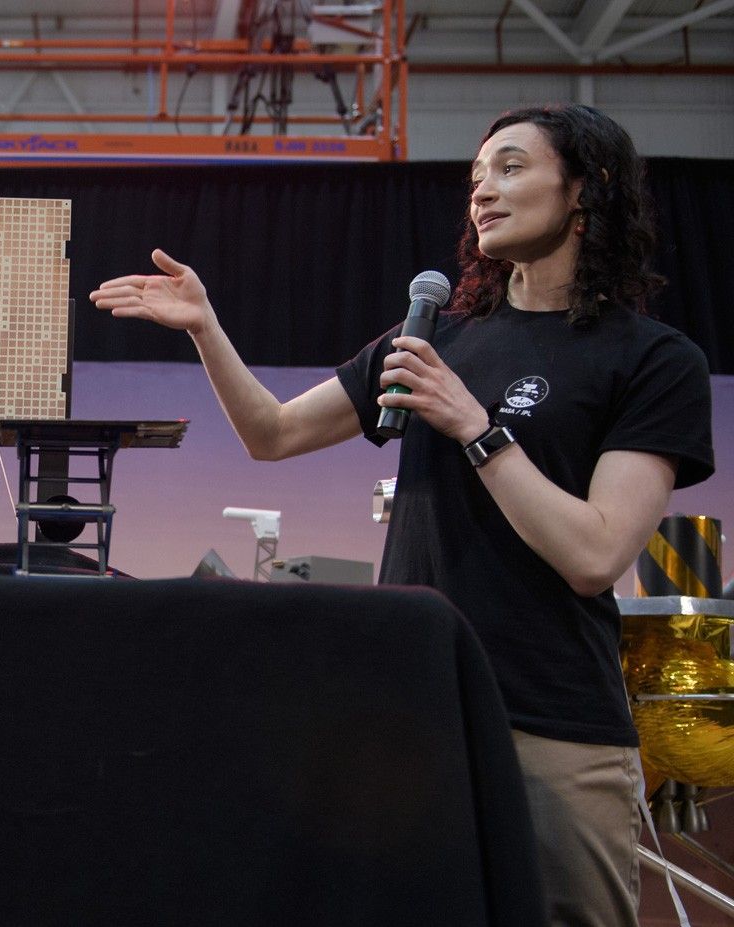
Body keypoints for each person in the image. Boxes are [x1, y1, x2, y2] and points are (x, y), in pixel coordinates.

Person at [90, 103, 714, 927]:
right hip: (415, 714)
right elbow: (271, 434)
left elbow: (595, 555)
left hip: (552, 722)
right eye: (475, 178)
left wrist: (474, 428)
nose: (483, 191)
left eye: (512, 167)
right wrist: (205, 327)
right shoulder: (435, 339)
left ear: (586, 189)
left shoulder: (652, 358)